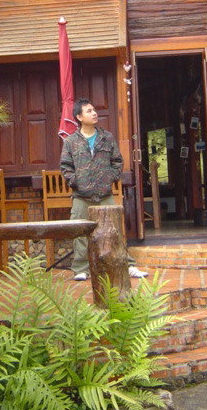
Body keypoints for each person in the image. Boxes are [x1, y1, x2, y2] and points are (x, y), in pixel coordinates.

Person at [60, 97, 148, 281]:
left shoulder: (107, 137)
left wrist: (109, 178)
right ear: (79, 117)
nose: (94, 113)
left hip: (104, 194)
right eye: (89, 111)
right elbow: (66, 167)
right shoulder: (71, 142)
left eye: (94, 110)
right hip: (81, 196)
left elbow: (117, 161)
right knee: (79, 232)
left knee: (115, 231)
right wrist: (76, 182)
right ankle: (81, 269)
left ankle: (128, 266)